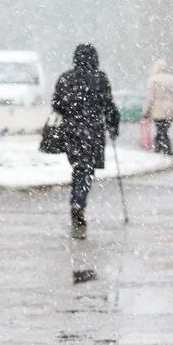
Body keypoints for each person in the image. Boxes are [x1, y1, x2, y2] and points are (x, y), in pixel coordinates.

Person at [52, 43, 119, 238]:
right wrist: (113, 126)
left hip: (71, 130)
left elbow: (57, 104)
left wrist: (71, 111)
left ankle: (76, 200)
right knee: (87, 169)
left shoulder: (65, 78)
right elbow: (108, 105)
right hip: (93, 131)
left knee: (79, 167)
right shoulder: (100, 78)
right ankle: (79, 200)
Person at [142, 58, 173, 156]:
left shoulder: (153, 80)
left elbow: (149, 98)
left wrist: (146, 112)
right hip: (171, 109)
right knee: (163, 130)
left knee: (160, 130)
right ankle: (161, 150)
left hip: (157, 110)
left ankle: (163, 151)